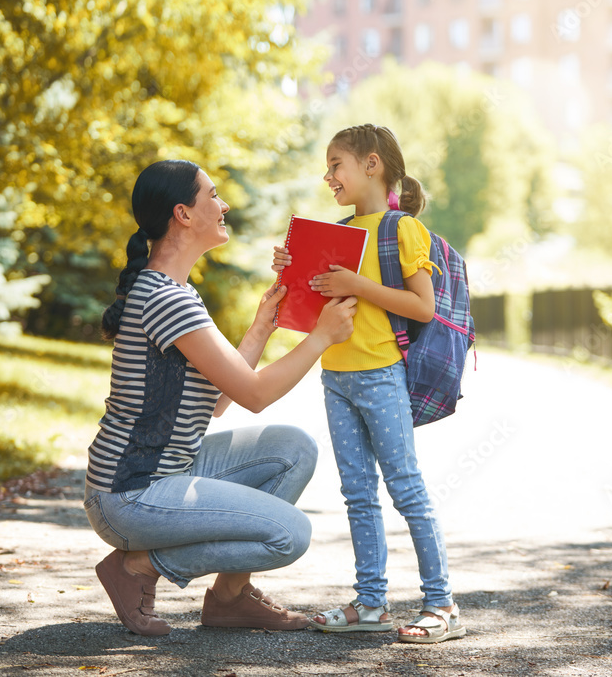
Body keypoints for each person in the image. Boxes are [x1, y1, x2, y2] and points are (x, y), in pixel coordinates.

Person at [84, 159, 357, 637]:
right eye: (212, 195)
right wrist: (320, 338)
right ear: (183, 215)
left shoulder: (175, 292)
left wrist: (260, 327)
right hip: (130, 493)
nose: (224, 203)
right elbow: (252, 396)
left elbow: (218, 402)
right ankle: (138, 566)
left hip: (167, 471)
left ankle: (229, 599)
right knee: (289, 534)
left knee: (292, 449)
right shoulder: (165, 298)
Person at [272, 124, 465, 643]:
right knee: (357, 493)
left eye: (337, 164)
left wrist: (358, 284)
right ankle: (372, 602)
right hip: (335, 376)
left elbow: (421, 306)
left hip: (381, 375)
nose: (328, 175)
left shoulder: (402, 230)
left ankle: (441, 603)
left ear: (372, 164)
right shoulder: (335, 234)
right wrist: (289, 272)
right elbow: (307, 306)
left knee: (406, 488)